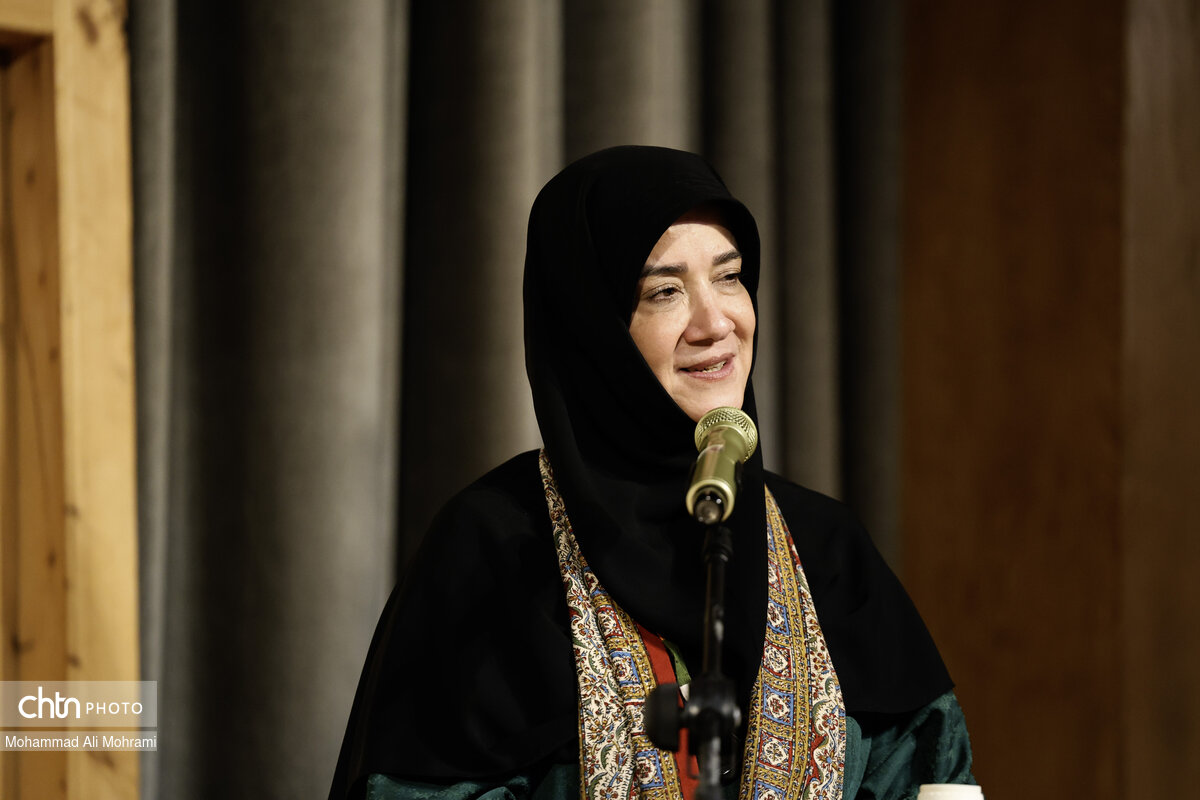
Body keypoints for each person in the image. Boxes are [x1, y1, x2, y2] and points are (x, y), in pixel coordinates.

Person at [329, 146, 974, 800]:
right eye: (665, 291)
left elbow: (933, 774)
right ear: (594, 327)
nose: (716, 323)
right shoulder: (493, 552)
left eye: (729, 277)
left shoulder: (828, 548)